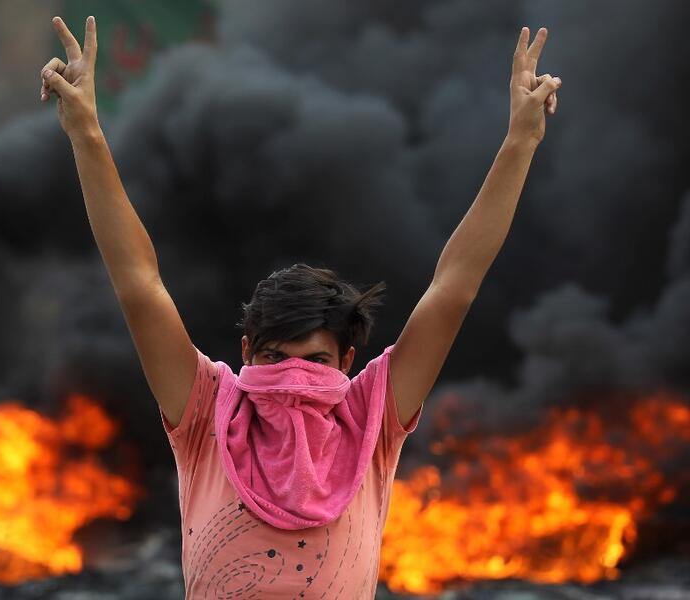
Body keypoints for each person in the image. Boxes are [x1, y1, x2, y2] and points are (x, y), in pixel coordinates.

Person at [39, 15, 561, 598]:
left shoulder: (372, 421)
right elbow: (140, 286)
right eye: (272, 357)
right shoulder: (207, 415)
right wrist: (85, 132)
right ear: (245, 353)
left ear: (346, 362)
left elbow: (454, 288)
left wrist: (520, 142)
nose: (292, 378)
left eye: (312, 362)